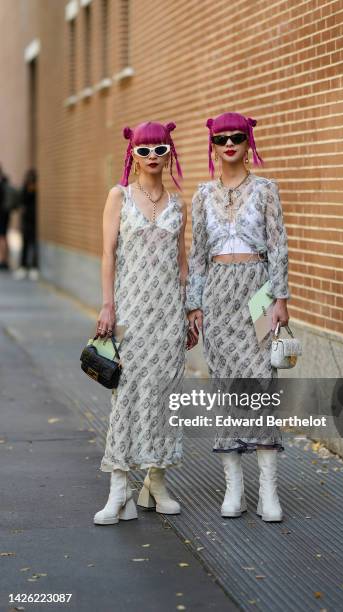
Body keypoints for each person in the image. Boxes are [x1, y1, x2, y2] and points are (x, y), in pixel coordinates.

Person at [186, 112, 291, 522]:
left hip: (259, 291)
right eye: (220, 138)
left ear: (248, 143)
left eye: (236, 137)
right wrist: (194, 304)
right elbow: (195, 256)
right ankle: (234, 488)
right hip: (217, 294)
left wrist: (281, 296)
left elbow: (279, 245)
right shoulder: (200, 195)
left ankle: (269, 492)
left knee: (263, 381)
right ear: (212, 145)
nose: (228, 144)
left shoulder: (266, 190)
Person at [94, 121, 195, 526]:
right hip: (131, 314)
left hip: (169, 315)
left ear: (169, 152)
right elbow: (108, 255)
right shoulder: (118, 196)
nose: (152, 156)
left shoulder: (178, 205)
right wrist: (107, 306)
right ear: (132, 154)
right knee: (127, 395)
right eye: (144, 150)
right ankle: (119, 489)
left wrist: (190, 310)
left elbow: (182, 264)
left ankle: (155, 481)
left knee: (165, 395)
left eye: (159, 149)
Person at [14, 169, 39, 280]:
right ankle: (23, 267)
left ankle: (33, 267)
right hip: (26, 222)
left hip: (34, 222)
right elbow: (21, 203)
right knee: (25, 245)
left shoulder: (37, 190)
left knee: (33, 245)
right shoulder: (25, 189)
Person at [0, 166, 11, 270]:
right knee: (4, 236)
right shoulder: (5, 180)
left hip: (1, 214)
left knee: (2, 237)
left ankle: (3, 260)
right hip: (6, 213)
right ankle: (6, 259)